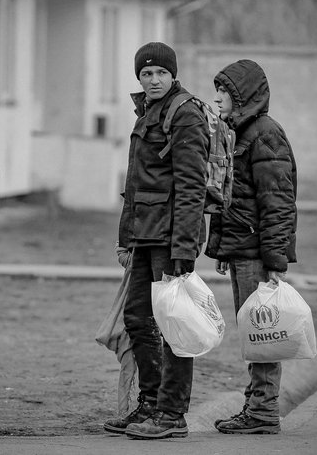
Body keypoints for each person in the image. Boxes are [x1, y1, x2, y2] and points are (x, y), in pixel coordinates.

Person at [103, 42, 210, 440]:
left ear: (172, 74)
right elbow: (134, 185)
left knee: (173, 327)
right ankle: (149, 404)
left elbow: (191, 187)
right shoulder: (149, 111)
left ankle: (171, 414)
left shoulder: (185, 115)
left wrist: (184, 249)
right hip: (144, 236)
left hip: (170, 240)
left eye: (160, 73)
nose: (152, 80)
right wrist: (125, 238)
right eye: (146, 74)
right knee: (137, 318)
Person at [205, 59, 297, 434]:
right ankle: (257, 406)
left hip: (257, 254)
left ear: (242, 95)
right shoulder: (237, 132)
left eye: (225, 90)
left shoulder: (264, 134)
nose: (218, 97)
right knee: (255, 331)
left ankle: (262, 411)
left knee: (263, 332)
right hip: (242, 249)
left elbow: (278, 201)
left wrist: (275, 262)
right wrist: (224, 248)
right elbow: (230, 196)